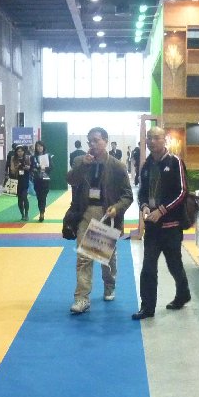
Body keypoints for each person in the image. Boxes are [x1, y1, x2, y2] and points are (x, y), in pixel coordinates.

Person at [66, 127, 133, 314]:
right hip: (85, 212)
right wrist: (83, 165)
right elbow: (70, 180)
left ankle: (109, 285)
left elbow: (127, 195)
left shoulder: (117, 166)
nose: (92, 144)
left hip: (106, 214)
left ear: (106, 141)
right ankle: (82, 298)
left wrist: (117, 208)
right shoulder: (80, 161)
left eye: (96, 140)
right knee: (83, 257)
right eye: (90, 141)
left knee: (106, 258)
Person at [132, 127, 191, 320]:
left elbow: (183, 192)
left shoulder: (175, 162)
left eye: (156, 137)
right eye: (149, 138)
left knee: (174, 265)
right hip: (152, 228)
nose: (152, 141)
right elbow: (142, 192)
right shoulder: (146, 165)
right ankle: (147, 307)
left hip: (171, 226)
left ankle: (183, 294)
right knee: (148, 267)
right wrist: (144, 207)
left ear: (164, 140)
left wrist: (162, 210)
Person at [30, 140, 52, 222]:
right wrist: (35, 169)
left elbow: (51, 167)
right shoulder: (33, 157)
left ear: (43, 147)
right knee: (39, 197)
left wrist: (44, 168)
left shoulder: (47, 156)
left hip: (45, 180)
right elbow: (31, 168)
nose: (39, 148)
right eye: (37, 146)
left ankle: (42, 213)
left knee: (43, 197)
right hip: (37, 180)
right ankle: (41, 211)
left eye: (41, 146)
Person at [10, 145, 31, 220]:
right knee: (20, 199)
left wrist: (25, 167)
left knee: (24, 197)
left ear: (24, 151)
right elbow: (12, 170)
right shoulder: (13, 158)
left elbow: (30, 167)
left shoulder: (27, 157)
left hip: (25, 179)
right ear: (16, 152)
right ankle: (22, 214)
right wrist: (17, 166)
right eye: (18, 151)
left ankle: (26, 214)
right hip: (17, 179)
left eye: (21, 151)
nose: (20, 153)